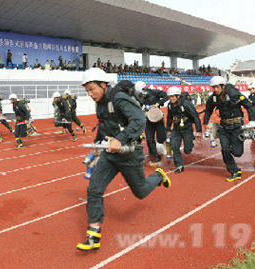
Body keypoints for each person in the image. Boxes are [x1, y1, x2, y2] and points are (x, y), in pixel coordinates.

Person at [76, 68, 171, 251]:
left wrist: (120, 139)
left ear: (103, 85)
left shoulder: (119, 98)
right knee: (94, 190)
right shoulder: (100, 104)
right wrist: (97, 145)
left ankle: (158, 176)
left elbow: (139, 121)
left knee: (141, 192)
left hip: (129, 153)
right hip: (110, 155)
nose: (90, 94)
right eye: (87, 90)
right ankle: (93, 236)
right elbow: (105, 127)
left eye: (92, 89)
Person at [203, 76, 255, 182]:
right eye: (213, 87)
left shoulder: (233, 94)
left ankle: (235, 148)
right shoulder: (213, 98)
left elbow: (248, 105)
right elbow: (208, 110)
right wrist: (205, 122)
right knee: (225, 149)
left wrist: (252, 120)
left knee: (237, 153)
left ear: (223, 86)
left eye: (217, 87)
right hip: (223, 127)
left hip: (236, 126)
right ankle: (234, 171)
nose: (215, 90)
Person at [166, 86, 202, 173]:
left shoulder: (186, 104)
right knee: (174, 146)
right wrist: (168, 129)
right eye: (169, 97)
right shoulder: (170, 105)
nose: (171, 98)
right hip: (176, 128)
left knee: (187, 150)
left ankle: (190, 142)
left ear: (177, 96)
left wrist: (198, 130)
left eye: (172, 96)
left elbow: (195, 116)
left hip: (187, 128)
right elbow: (169, 117)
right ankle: (179, 166)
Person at [134, 81, 168, 166]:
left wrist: (158, 103)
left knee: (161, 138)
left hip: (158, 119)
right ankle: (155, 156)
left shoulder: (154, 92)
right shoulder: (139, 97)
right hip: (148, 120)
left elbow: (166, 96)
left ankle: (168, 148)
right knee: (149, 139)